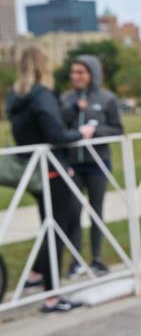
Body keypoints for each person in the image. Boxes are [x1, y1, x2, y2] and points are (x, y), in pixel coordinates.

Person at [6, 47, 94, 312]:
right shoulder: (42, 94)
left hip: (33, 166)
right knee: (59, 227)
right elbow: (55, 134)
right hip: (52, 167)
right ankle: (51, 295)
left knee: (51, 225)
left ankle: (37, 274)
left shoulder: (16, 95)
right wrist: (81, 132)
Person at [61, 54, 124, 277]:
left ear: (92, 74)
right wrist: (74, 110)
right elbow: (60, 126)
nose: (75, 76)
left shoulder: (107, 98)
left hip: (97, 164)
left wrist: (95, 131)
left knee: (96, 212)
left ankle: (97, 259)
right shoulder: (66, 98)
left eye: (81, 72)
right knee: (73, 212)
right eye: (73, 72)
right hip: (73, 165)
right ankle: (75, 260)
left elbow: (118, 129)